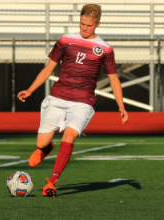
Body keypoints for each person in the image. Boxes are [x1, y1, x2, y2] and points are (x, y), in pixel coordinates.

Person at [17, 4, 128, 197]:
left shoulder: (106, 49)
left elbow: (113, 78)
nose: (84, 28)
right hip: (58, 96)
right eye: (82, 23)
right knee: (41, 143)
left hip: (83, 101)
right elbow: (48, 68)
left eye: (89, 25)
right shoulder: (65, 40)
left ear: (98, 24)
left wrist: (121, 106)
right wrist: (30, 89)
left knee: (69, 137)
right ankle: (46, 148)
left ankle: (51, 182)